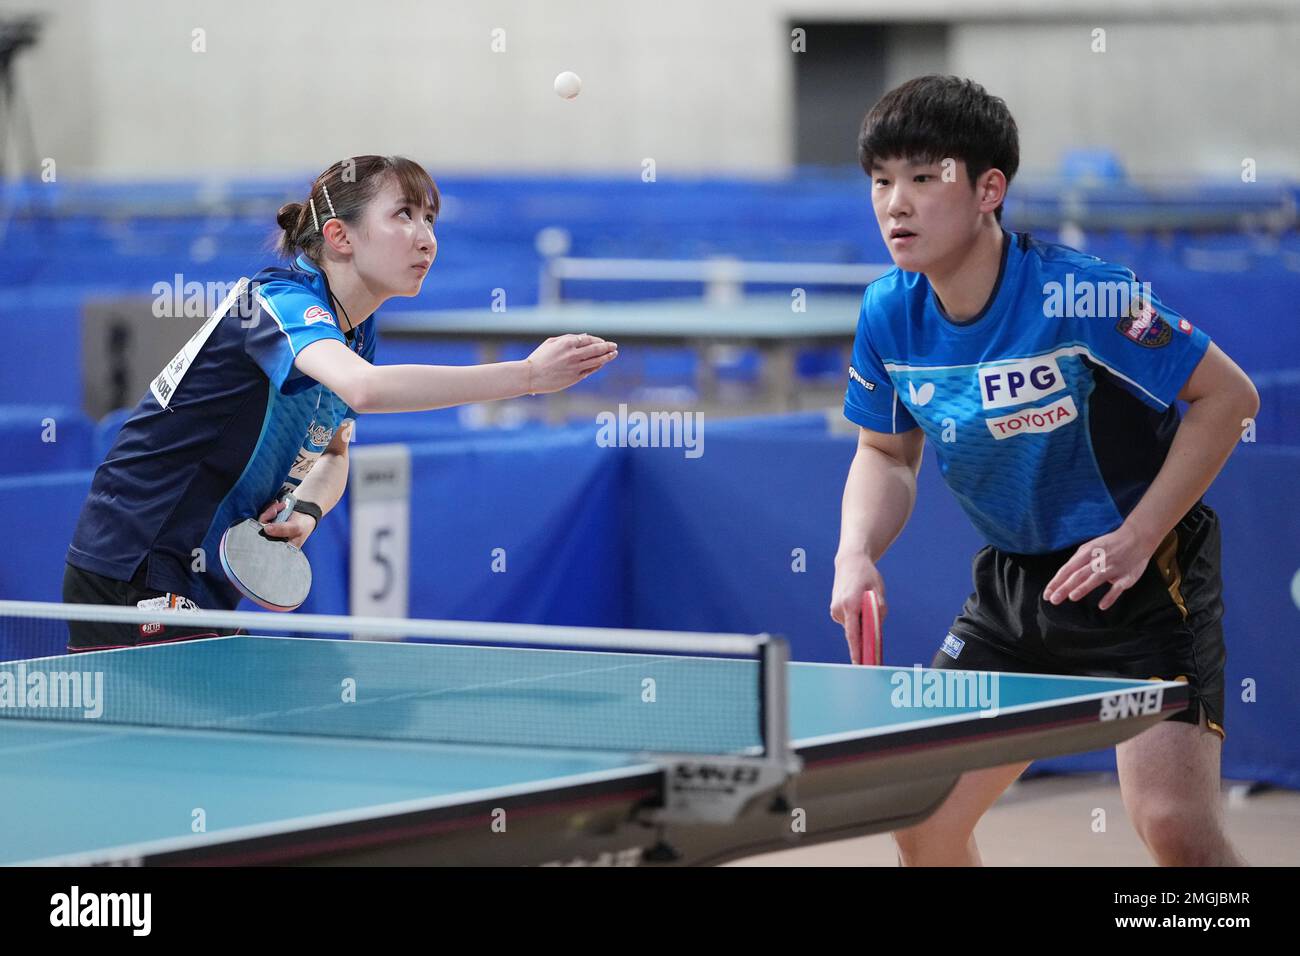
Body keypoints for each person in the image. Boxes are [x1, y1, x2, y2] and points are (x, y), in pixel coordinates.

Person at [829, 76, 1255, 866]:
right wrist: (857, 551)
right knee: (920, 815)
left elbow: (1228, 399)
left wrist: (1137, 537)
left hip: (1138, 580)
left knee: (1174, 828)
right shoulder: (889, 312)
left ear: (989, 188)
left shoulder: (1080, 294)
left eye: (925, 178)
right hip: (1012, 591)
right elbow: (885, 452)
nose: (896, 203)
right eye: (882, 181)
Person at [64, 154, 617, 650]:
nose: (426, 238)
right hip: (133, 561)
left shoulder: (354, 329)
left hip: (202, 575)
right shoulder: (275, 300)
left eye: (430, 219)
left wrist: (307, 510)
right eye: (403, 215)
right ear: (339, 236)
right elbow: (365, 390)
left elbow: (332, 453)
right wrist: (525, 376)